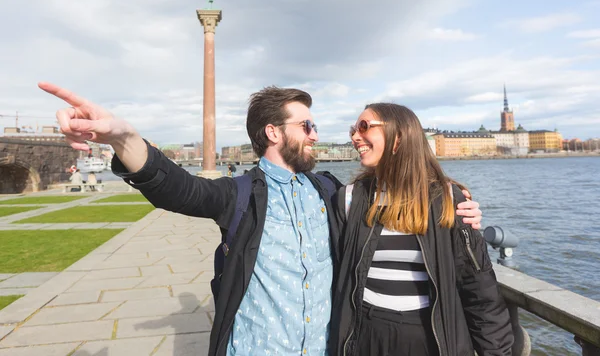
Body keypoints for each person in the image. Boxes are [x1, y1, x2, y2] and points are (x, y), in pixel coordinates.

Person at [39, 82, 483, 356]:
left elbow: (392, 216)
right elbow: (176, 186)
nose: (316, 134)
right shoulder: (238, 195)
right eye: (306, 126)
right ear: (274, 133)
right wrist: (123, 137)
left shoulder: (331, 191)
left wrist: (457, 208)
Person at [329, 103, 513, 356]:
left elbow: (479, 288)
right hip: (365, 336)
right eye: (353, 129)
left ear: (399, 137)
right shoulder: (349, 199)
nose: (354, 136)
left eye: (364, 127)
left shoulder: (447, 198)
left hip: (430, 337)